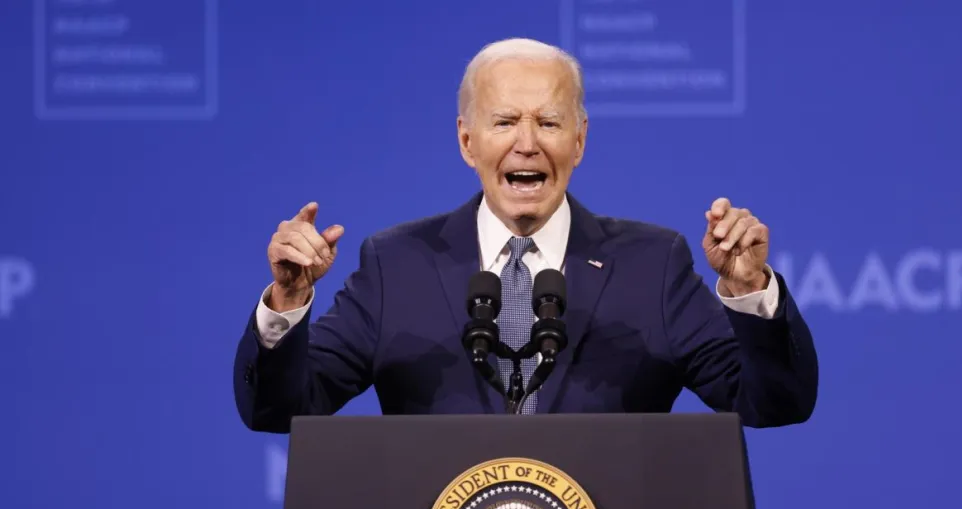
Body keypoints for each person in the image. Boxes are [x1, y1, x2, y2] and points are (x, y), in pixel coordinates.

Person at [233, 38, 818, 432]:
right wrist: (287, 304)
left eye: (549, 122)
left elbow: (774, 404)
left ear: (581, 140)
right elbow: (281, 411)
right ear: (467, 141)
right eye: (506, 121)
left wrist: (750, 291)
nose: (528, 142)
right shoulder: (396, 264)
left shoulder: (652, 264)